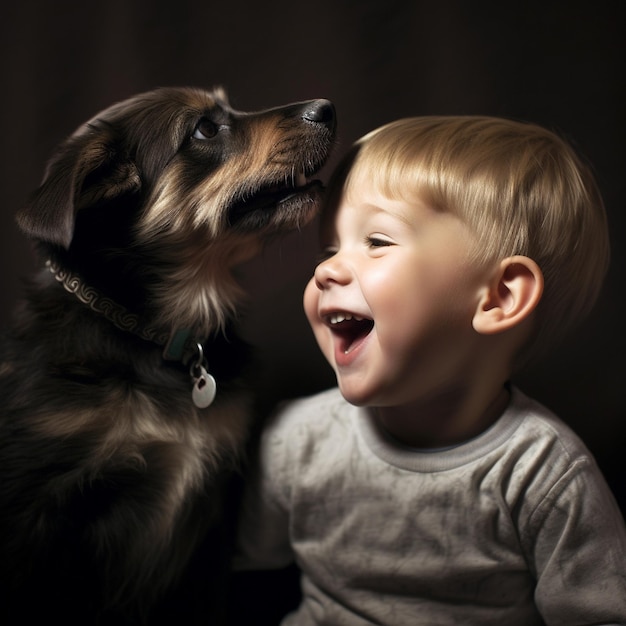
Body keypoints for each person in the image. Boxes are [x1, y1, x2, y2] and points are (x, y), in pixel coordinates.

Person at [232, 116, 626, 625]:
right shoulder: (296, 439)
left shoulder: (542, 475)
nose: (326, 269)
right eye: (330, 248)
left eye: (376, 241)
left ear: (500, 298)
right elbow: (230, 575)